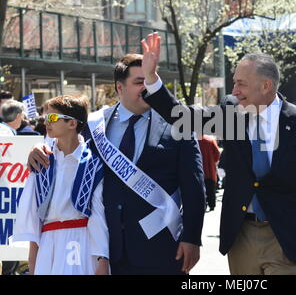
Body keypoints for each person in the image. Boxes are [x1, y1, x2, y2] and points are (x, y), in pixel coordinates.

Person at [140, 33, 296, 275]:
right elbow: (184, 119)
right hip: (241, 237)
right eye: (234, 82)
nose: (234, 90)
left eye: (241, 84)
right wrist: (151, 78)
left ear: (266, 85)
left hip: (288, 237)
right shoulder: (232, 114)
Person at [28, 54, 206, 275]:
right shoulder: (94, 125)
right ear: (120, 88)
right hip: (107, 249)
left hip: (161, 247)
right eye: (140, 82)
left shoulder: (177, 124)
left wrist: (192, 238)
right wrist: (38, 148)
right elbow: (64, 147)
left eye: (151, 80)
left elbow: (194, 186)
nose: (148, 87)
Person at [12, 95, 109, 275]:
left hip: (81, 242)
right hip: (48, 243)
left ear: (72, 124)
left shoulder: (92, 163)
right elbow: (35, 217)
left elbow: (98, 215)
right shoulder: (41, 161)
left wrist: (102, 258)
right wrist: (33, 264)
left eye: (53, 118)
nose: (47, 122)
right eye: (46, 117)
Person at [198, 135, 221, 211]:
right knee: (211, 189)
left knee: (200, 190)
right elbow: (217, 154)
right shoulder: (211, 140)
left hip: (199, 171)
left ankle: (203, 205)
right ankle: (212, 205)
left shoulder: (194, 140)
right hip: (210, 170)